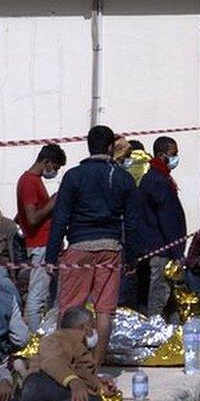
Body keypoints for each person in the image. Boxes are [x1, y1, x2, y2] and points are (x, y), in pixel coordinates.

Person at [47, 125, 137, 365]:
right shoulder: (122, 177)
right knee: (105, 311)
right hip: (111, 248)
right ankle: (95, 365)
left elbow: (61, 217)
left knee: (69, 307)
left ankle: (63, 362)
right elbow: (132, 221)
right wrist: (133, 256)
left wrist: (51, 253)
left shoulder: (73, 176)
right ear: (110, 147)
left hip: (79, 247)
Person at [9, 307, 114, 401]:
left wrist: (98, 383)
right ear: (85, 327)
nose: (94, 331)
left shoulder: (79, 346)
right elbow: (53, 361)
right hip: (38, 386)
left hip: (55, 392)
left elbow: (78, 373)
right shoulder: (59, 338)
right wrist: (73, 381)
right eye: (93, 326)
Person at [17, 143, 67, 331]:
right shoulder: (30, 181)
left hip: (45, 243)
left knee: (48, 294)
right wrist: (53, 201)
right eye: (54, 167)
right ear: (46, 161)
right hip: (40, 244)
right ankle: (34, 340)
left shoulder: (32, 180)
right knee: (37, 295)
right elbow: (32, 217)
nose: (53, 171)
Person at [137, 136, 187, 318]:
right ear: (161, 155)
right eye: (173, 154)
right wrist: (177, 251)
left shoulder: (158, 178)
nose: (176, 159)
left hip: (162, 246)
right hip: (161, 248)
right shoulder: (157, 181)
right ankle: (153, 330)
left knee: (169, 295)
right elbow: (168, 219)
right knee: (160, 294)